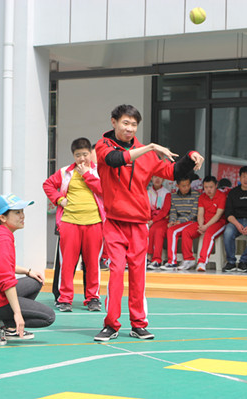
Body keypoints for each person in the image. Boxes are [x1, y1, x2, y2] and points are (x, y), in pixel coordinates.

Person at [94, 104, 204, 342]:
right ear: (113, 122)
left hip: (138, 225)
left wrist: (190, 156)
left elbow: (172, 171)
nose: (130, 128)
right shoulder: (102, 146)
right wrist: (152, 147)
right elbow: (115, 160)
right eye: (125, 123)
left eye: (134, 125)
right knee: (115, 274)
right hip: (114, 223)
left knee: (138, 275)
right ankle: (111, 324)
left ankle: (138, 324)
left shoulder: (145, 153)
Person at [0, 194, 55, 346]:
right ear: (3, 217)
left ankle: (8, 327)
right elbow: (4, 279)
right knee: (48, 317)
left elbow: (1, 265)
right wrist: (17, 314)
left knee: (35, 281)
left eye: (22, 211)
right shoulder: (2, 239)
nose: (22, 216)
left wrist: (28, 271)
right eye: (17, 212)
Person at [43, 137, 104, 312]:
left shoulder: (99, 172)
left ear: (91, 154)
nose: (82, 159)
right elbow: (47, 185)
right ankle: (65, 299)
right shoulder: (64, 172)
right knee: (67, 264)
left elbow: (103, 190)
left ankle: (93, 298)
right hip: (69, 223)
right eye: (78, 155)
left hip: (94, 223)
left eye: (85, 154)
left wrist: (86, 174)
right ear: (73, 155)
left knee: (93, 264)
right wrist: (59, 199)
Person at [180, 176, 227, 272]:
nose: (208, 190)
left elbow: (218, 215)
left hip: (219, 223)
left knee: (209, 234)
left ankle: (202, 262)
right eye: (206, 187)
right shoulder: (202, 197)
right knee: (186, 231)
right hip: (204, 223)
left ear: (216, 186)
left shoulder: (222, 196)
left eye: (211, 187)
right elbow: (200, 213)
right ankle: (188, 259)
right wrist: (201, 225)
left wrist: (205, 227)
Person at [161, 175, 200, 271]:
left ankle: (172, 262)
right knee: (170, 229)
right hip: (180, 222)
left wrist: (180, 221)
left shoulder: (196, 195)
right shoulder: (174, 196)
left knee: (173, 231)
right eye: (183, 186)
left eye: (187, 185)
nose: (186, 188)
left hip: (191, 221)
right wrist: (172, 221)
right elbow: (173, 211)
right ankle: (173, 261)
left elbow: (194, 214)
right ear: (177, 186)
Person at [147, 176, 171, 270]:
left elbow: (165, 211)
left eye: (160, 177)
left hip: (163, 219)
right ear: (151, 178)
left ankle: (156, 259)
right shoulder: (148, 192)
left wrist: (153, 221)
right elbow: (146, 208)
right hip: (150, 219)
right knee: (146, 229)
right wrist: (148, 220)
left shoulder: (166, 193)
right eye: (155, 177)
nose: (157, 179)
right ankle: (148, 257)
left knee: (157, 231)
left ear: (164, 179)